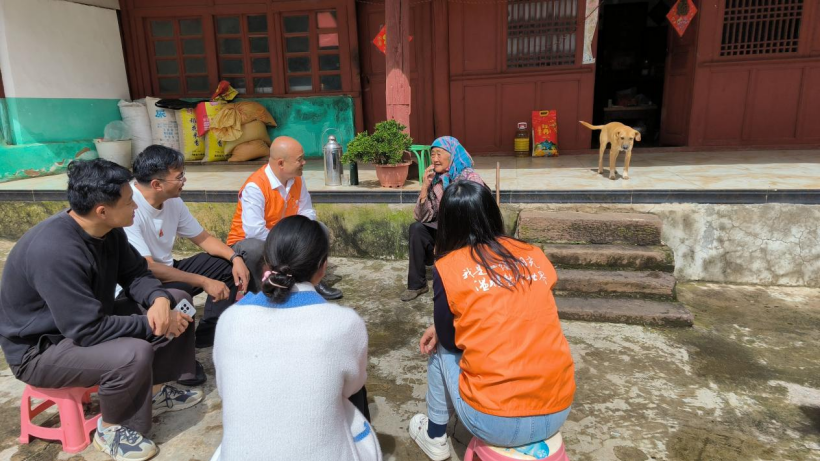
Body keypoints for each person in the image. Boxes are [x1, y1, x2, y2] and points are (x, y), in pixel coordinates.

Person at [0, 159, 204, 461]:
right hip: (41, 350)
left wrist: (160, 302)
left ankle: (155, 391)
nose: (136, 206)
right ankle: (112, 429)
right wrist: (155, 323)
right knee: (132, 353)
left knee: (176, 297)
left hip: (82, 324)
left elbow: (136, 274)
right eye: (129, 201)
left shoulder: (109, 230)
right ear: (102, 210)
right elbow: (87, 330)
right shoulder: (55, 252)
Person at [407, 181, 575, 461]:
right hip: (557, 410)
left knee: (440, 347)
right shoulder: (533, 254)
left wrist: (441, 328)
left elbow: (450, 340)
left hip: (494, 421)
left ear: (447, 223)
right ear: (491, 213)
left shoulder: (448, 267)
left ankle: (435, 435)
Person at [212, 216, 380, 461]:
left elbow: (225, 389)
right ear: (323, 267)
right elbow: (353, 386)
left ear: (265, 262)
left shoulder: (230, 320)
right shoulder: (344, 323)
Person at [125, 145, 250, 360]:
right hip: (140, 281)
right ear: (156, 184)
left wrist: (235, 257)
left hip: (167, 268)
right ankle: (182, 360)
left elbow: (203, 238)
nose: (184, 180)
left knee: (225, 266)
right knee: (180, 294)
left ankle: (209, 333)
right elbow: (148, 267)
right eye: (179, 177)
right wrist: (203, 281)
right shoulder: (129, 206)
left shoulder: (173, 200)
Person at [227, 136, 342, 300]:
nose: (304, 163)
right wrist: (286, 244)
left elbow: (307, 212)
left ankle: (311, 283)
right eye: (299, 159)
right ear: (281, 163)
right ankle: (264, 293)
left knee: (319, 229)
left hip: (282, 237)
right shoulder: (255, 186)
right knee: (255, 248)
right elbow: (254, 231)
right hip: (247, 242)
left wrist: (298, 239)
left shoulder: (297, 178)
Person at [401, 136, 485, 302]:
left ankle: (456, 284)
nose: (435, 159)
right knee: (417, 229)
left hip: (465, 233)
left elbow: (477, 214)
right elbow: (422, 217)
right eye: (432, 155)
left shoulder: (470, 178)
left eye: (439, 154)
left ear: (452, 155)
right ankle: (417, 284)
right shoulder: (435, 180)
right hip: (443, 230)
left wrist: (448, 235)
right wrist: (425, 186)